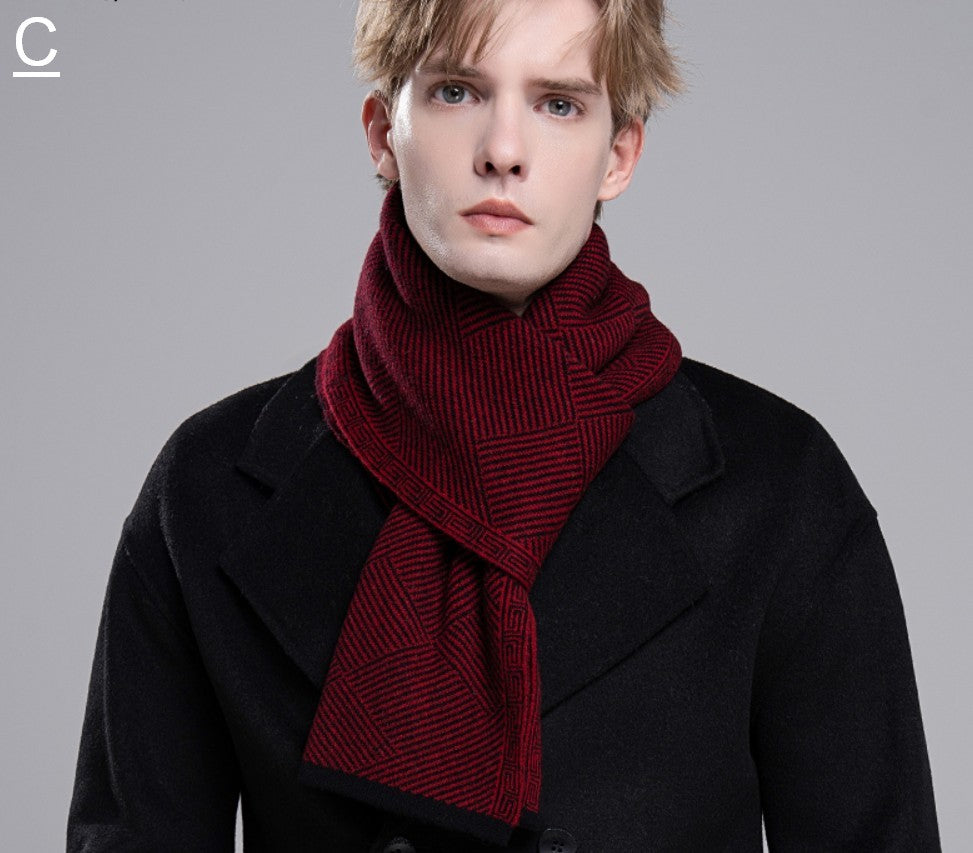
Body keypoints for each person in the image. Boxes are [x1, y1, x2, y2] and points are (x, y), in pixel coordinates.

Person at [67, 0, 941, 850]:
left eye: (558, 104)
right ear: (382, 133)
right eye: (456, 91)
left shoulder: (779, 486)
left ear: (618, 155)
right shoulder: (208, 485)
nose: (503, 151)